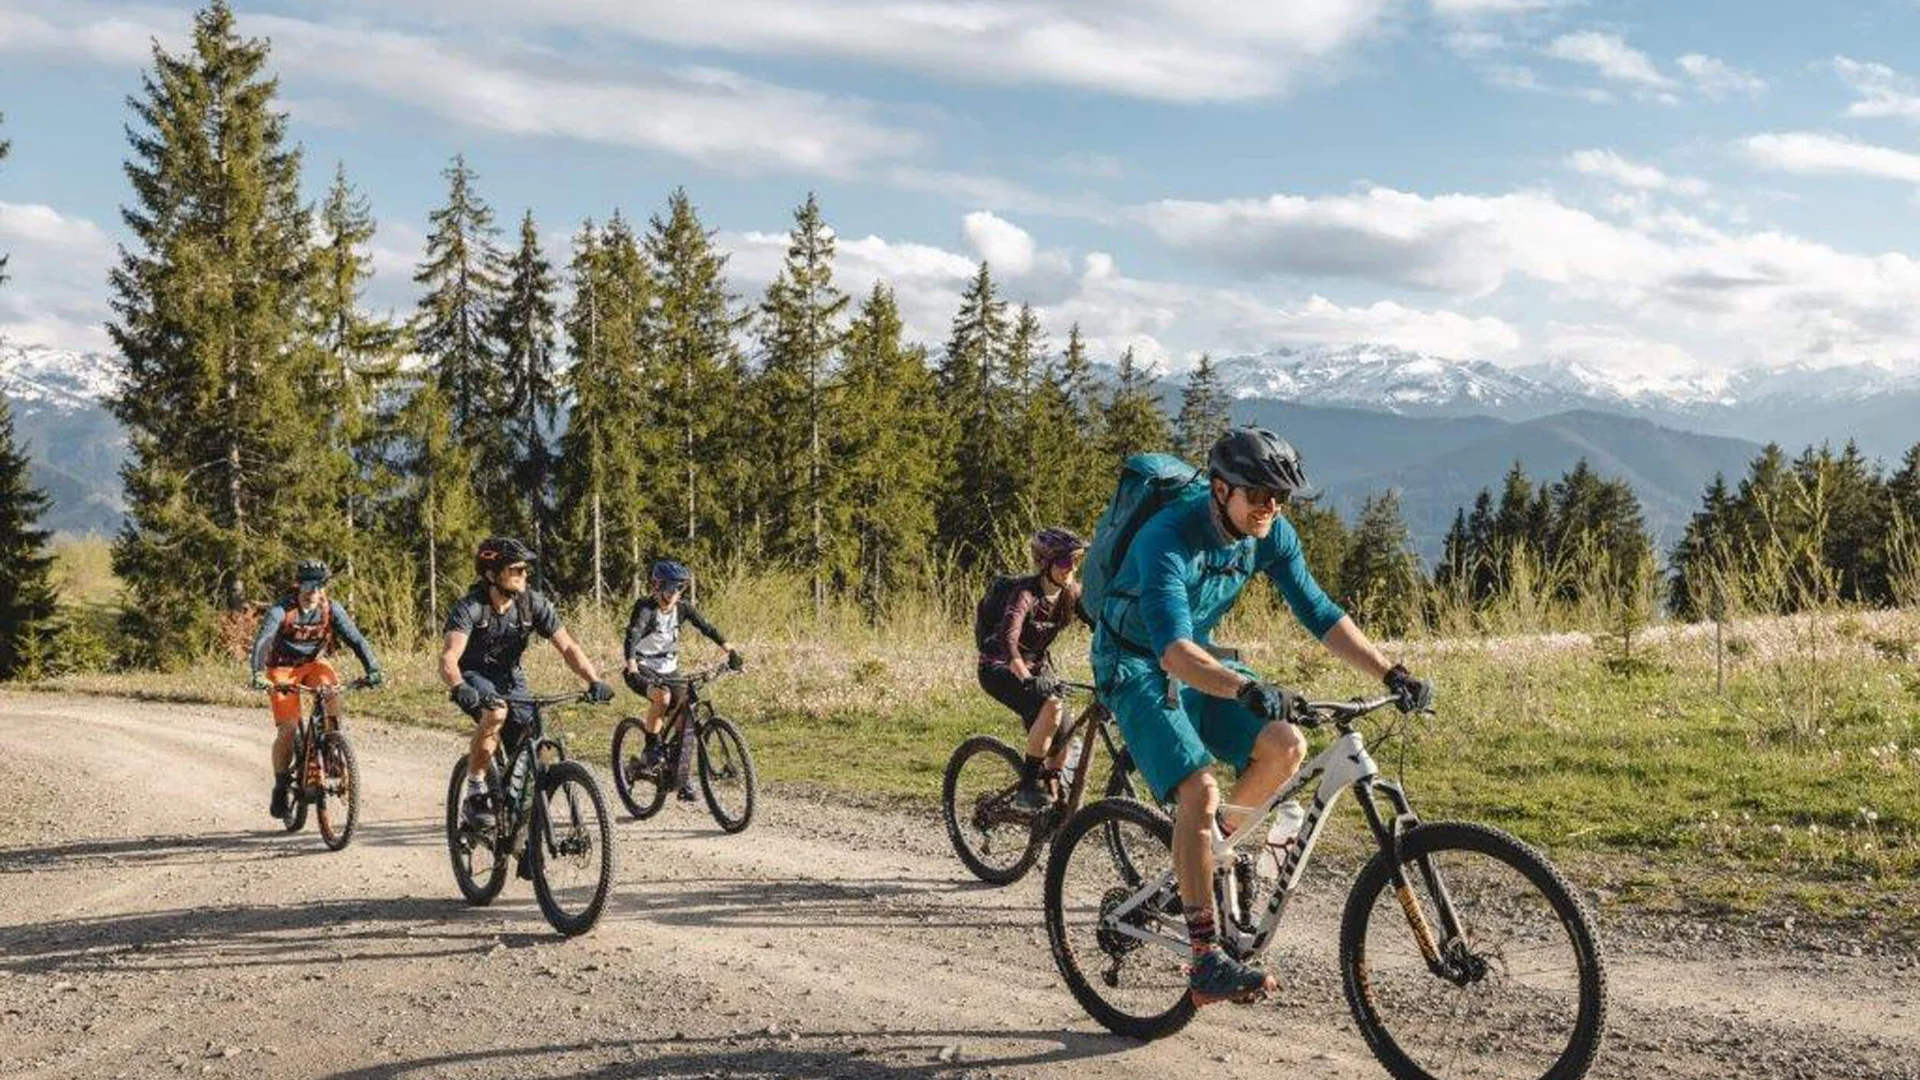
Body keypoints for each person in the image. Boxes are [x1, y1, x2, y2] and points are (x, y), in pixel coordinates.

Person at [1091, 427, 1434, 1006]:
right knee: (1199, 790)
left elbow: (1318, 610)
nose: (1271, 507)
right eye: (1258, 495)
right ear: (1220, 489)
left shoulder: (1268, 533)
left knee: (1286, 744)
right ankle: (1205, 958)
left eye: (1281, 497)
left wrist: (1390, 673)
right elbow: (1173, 653)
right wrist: (1247, 689)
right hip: (1135, 663)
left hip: (1198, 657)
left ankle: (1201, 857)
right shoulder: (1167, 537)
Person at [441, 537, 613, 829]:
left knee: (533, 738)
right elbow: (449, 656)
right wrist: (459, 686)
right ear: (491, 574)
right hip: (474, 676)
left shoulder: (532, 603)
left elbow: (568, 647)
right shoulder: (471, 607)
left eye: (525, 569)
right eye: (515, 569)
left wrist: (593, 679)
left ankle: (521, 813)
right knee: (496, 712)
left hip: (511, 678)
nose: (523, 574)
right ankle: (475, 789)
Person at [249, 560, 384, 819]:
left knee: (331, 693)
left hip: (314, 664)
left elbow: (356, 639)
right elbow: (264, 639)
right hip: (282, 668)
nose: (313, 591)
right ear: (298, 585)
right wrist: (257, 671)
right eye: (308, 585)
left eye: (319, 585)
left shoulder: (330, 608)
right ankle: (280, 785)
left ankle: (331, 748)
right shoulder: (282, 609)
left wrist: (373, 668)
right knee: (288, 729)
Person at [976, 527, 1086, 812]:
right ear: (1044, 563)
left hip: (1037, 667)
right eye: (1065, 561)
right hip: (999, 666)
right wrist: (1025, 678)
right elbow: (1008, 640)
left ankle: (1050, 794)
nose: (1072, 568)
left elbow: (1099, 622)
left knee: (1066, 730)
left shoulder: (1070, 593)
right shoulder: (1024, 593)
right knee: (1051, 704)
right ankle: (1028, 786)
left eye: (1077, 560)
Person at [622, 559, 741, 800]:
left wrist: (730, 651)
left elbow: (706, 627)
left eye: (680, 588)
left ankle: (680, 775)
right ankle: (651, 747)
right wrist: (632, 664)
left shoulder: (683, 608)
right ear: (657, 586)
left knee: (685, 719)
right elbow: (633, 634)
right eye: (670, 588)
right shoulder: (646, 608)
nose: (675, 593)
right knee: (663, 697)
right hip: (642, 667)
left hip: (670, 669)